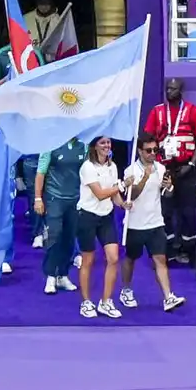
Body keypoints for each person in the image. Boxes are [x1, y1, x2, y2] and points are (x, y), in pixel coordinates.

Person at [119, 132, 187, 311]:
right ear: (140, 151)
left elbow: (167, 194)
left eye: (155, 150)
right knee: (130, 258)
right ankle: (125, 289)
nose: (152, 153)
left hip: (156, 222)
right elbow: (132, 195)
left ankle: (168, 297)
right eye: (148, 150)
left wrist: (169, 187)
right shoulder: (130, 171)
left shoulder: (161, 168)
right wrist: (146, 178)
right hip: (135, 223)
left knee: (160, 259)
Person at [145, 77, 196, 262]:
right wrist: (154, 163)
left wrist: (191, 165)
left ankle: (189, 251)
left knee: (188, 212)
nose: (169, 92)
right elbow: (148, 138)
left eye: (173, 89)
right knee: (164, 211)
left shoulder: (193, 111)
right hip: (164, 170)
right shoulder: (157, 112)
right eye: (167, 88)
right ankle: (168, 253)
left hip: (186, 168)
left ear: (181, 91)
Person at [76, 136, 125, 319]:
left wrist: (124, 205)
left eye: (108, 143)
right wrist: (121, 185)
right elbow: (100, 194)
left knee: (113, 258)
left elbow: (114, 196)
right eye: (102, 143)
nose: (106, 146)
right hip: (87, 217)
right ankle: (86, 302)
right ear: (95, 146)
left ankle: (106, 302)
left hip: (106, 217)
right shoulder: (87, 167)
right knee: (88, 261)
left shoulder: (113, 167)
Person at [36, 136, 86, 294]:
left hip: (75, 199)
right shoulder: (50, 143)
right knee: (54, 236)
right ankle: (50, 276)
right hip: (54, 198)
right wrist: (38, 198)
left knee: (69, 238)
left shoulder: (83, 145)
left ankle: (63, 275)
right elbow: (40, 173)